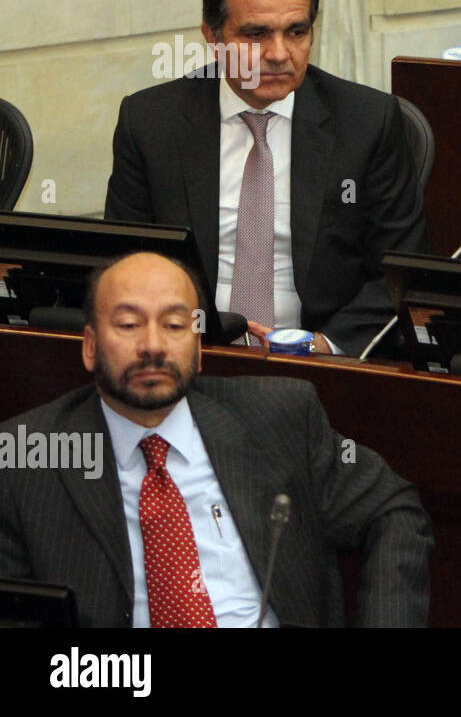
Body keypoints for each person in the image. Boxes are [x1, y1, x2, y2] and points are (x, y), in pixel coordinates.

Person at [0, 252, 433, 627]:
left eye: (174, 325)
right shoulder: (24, 459)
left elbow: (393, 510)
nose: (153, 346)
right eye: (129, 324)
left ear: (199, 347)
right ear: (90, 346)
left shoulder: (278, 416)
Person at [104, 0, 428, 357]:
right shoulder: (151, 122)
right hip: (192, 354)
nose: (279, 54)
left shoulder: (367, 121)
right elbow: (125, 263)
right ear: (212, 36)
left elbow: (401, 271)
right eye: (256, 34)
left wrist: (325, 346)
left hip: (320, 357)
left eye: (297, 31)